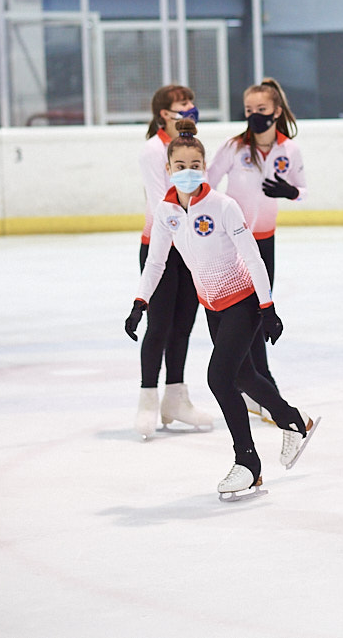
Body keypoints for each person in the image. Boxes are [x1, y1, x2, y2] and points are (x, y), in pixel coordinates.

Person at [126, 119, 317, 501]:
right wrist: (139, 302)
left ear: (204, 166)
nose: (187, 172)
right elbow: (157, 263)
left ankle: (247, 463)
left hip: (242, 301)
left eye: (195, 165)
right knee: (244, 376)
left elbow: (252, 256)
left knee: (219, 377)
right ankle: (293, 420)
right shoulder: (165, 212)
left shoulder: (223, 206)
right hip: (211, 304)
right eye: (179, 166)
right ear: (168, 169)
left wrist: (268, 307)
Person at [206, 78, 305, 414]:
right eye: (249, 110)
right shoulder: (234, 147)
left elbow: (302, 189)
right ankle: (260, 383)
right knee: (244, 315)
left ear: (276, 111)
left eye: (261, 110)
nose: (254, 116)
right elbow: (207, 181)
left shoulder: (288, 149)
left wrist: (290, 193)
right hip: (232, 245)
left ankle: (255, 384)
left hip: (264, 242)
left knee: (260, 313)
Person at [133, 84, 211, 439]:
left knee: (183, 325)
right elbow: (160, 199)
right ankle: (148, 400)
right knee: (159, 325)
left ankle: (176, 397)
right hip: (162, 245)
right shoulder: (153, 151)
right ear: (165, 113)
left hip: (190, 246)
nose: (191, 107)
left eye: (191, 102)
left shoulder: (191, 147)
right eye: (183, 104)